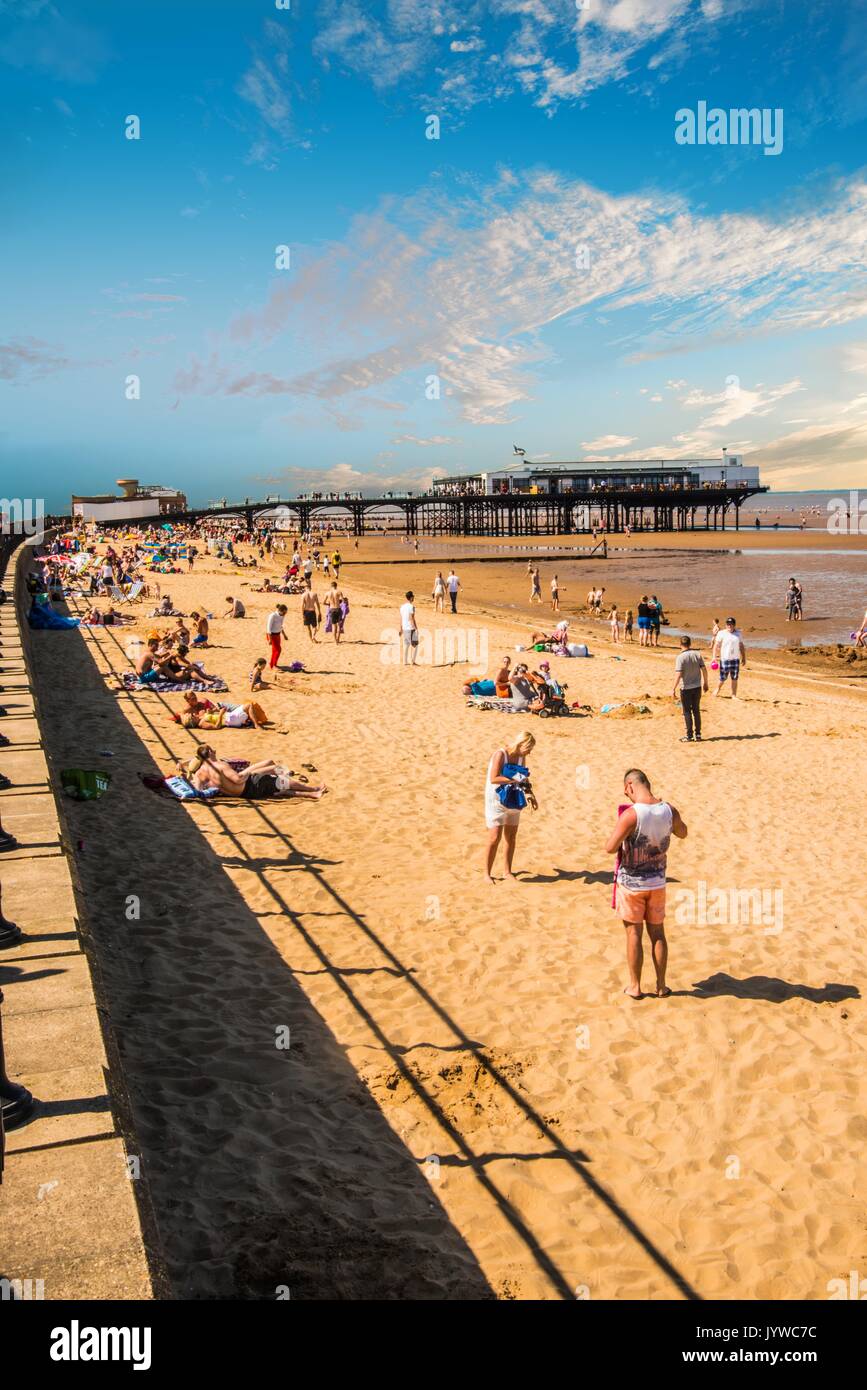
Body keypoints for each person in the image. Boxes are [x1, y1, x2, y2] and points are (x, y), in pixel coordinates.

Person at [604, 768, 687, 999]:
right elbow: (683, 832)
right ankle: (661, 986)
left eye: (626, 790)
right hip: (658, 882)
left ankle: (635, 986)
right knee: (658, 933)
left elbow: (610, 847)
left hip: (632, 885)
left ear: (630, 785)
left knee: (634, 935)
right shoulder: (668, 810)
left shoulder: (631, 815)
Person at [483, 732, 537, 882]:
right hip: (496, 800)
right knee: (494, 838)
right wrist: (514, 778)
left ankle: (507, 871)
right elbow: (494, 779)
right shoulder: (500, 755)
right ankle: (487, 873)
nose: (529, 752)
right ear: (522, 745)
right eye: (529, 748)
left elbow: (523, 778)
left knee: (511, 837)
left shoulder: (521, 757)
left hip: (513, 798)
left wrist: (530, 793)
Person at [179, 746, 327, 800]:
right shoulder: (220, 765)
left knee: (269, 765)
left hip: (241, 792)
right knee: (279, 779)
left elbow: (198, 791)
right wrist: (251, 772)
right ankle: (312, 790)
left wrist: (185, 776)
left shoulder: (200, 773)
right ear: (210, 753)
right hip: (248, 787)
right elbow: (238, 779)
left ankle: (289, 783)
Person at [672, 636, 708, 742]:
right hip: (697, 687)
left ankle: (689, 735)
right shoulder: (697, 654)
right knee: (696, 710)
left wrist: (673, 688)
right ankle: (698, 734)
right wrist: (705, 683)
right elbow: (704, 669)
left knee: (687, 712)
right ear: (690, 644)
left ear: (680, 645)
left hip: (686, 688)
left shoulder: (680, 657)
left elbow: (678, 674)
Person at [712, 617, 746, 697]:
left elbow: (741, 645)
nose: (729, 626)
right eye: (728, 624)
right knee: (723, 677)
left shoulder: (738, 633)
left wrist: (744, 657)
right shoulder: (721, 633)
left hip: (735, 659)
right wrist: (714, 657)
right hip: (725, 659)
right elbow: (716, 645)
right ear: (726, 625)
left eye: (731, 624)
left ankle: (734, 695)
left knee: (734, 677)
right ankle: (717, 689)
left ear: (734, 625)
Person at [400, 590, 418, 665]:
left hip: (404, 628)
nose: (414, 597)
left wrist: (401, 629)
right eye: (413, 596)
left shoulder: (402, 607)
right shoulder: (412, 607)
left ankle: (405, 661)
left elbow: (401, 618)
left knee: (406, 645)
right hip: (410, 628)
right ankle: (412, 661)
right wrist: (416, 628)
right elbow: (412, 618)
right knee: (415, 645)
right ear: (410, 598)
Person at [266, 603, 287, 668]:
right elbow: (268, 628)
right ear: (280, 610)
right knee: (278, 650)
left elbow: (281, 626)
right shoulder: (273, 615)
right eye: (284, 612)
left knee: (275, 650)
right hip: (271, 635)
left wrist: (284, 635)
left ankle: (272, 664)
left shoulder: (282, 616)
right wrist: (269, 639)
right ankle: (273, 664)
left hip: (278, 635)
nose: (285, 614)